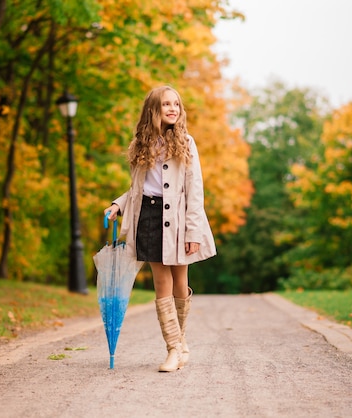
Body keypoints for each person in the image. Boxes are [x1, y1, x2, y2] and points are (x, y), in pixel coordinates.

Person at [104, 85, 216, 372]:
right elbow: (137, 189)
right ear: (153, 109)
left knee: (180, 282)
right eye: (166, 104)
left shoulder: (186, 143)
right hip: (149, 217)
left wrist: (193, 232)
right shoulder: (140, 145)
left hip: (179, 220)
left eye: (176, 104)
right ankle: (173, 348)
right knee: (161, 283)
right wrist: (118, 204)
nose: (173, 109)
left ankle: (181, 343)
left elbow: (195, 191)